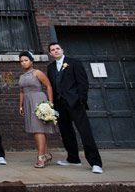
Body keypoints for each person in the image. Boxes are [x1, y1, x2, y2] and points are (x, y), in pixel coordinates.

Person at [46, 42, 103, 174]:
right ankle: (73, 158)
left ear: (62, 50)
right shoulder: (50, 67)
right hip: (60, 105)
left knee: (85, 132)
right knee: (66, 132)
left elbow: (83, 83)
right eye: (52, 50)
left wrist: (81, 100)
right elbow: (53, 86)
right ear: (50, 53)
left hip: (75, 103)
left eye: (57, 49)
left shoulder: (74, 63)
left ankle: (95, 162)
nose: (55, 51)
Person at [18, 51, 57, 168]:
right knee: (37, 130)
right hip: (28, 102)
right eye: (21, 61)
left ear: (31, 61)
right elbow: (21, 92)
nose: (23, 63)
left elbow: (48, 85)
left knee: (38, 129)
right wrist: (21, 105)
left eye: (26, 60)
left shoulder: (37, 73)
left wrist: (50, 103)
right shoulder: (21, 76)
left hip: (38, 100)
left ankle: (41, 157)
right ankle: (46, 154)